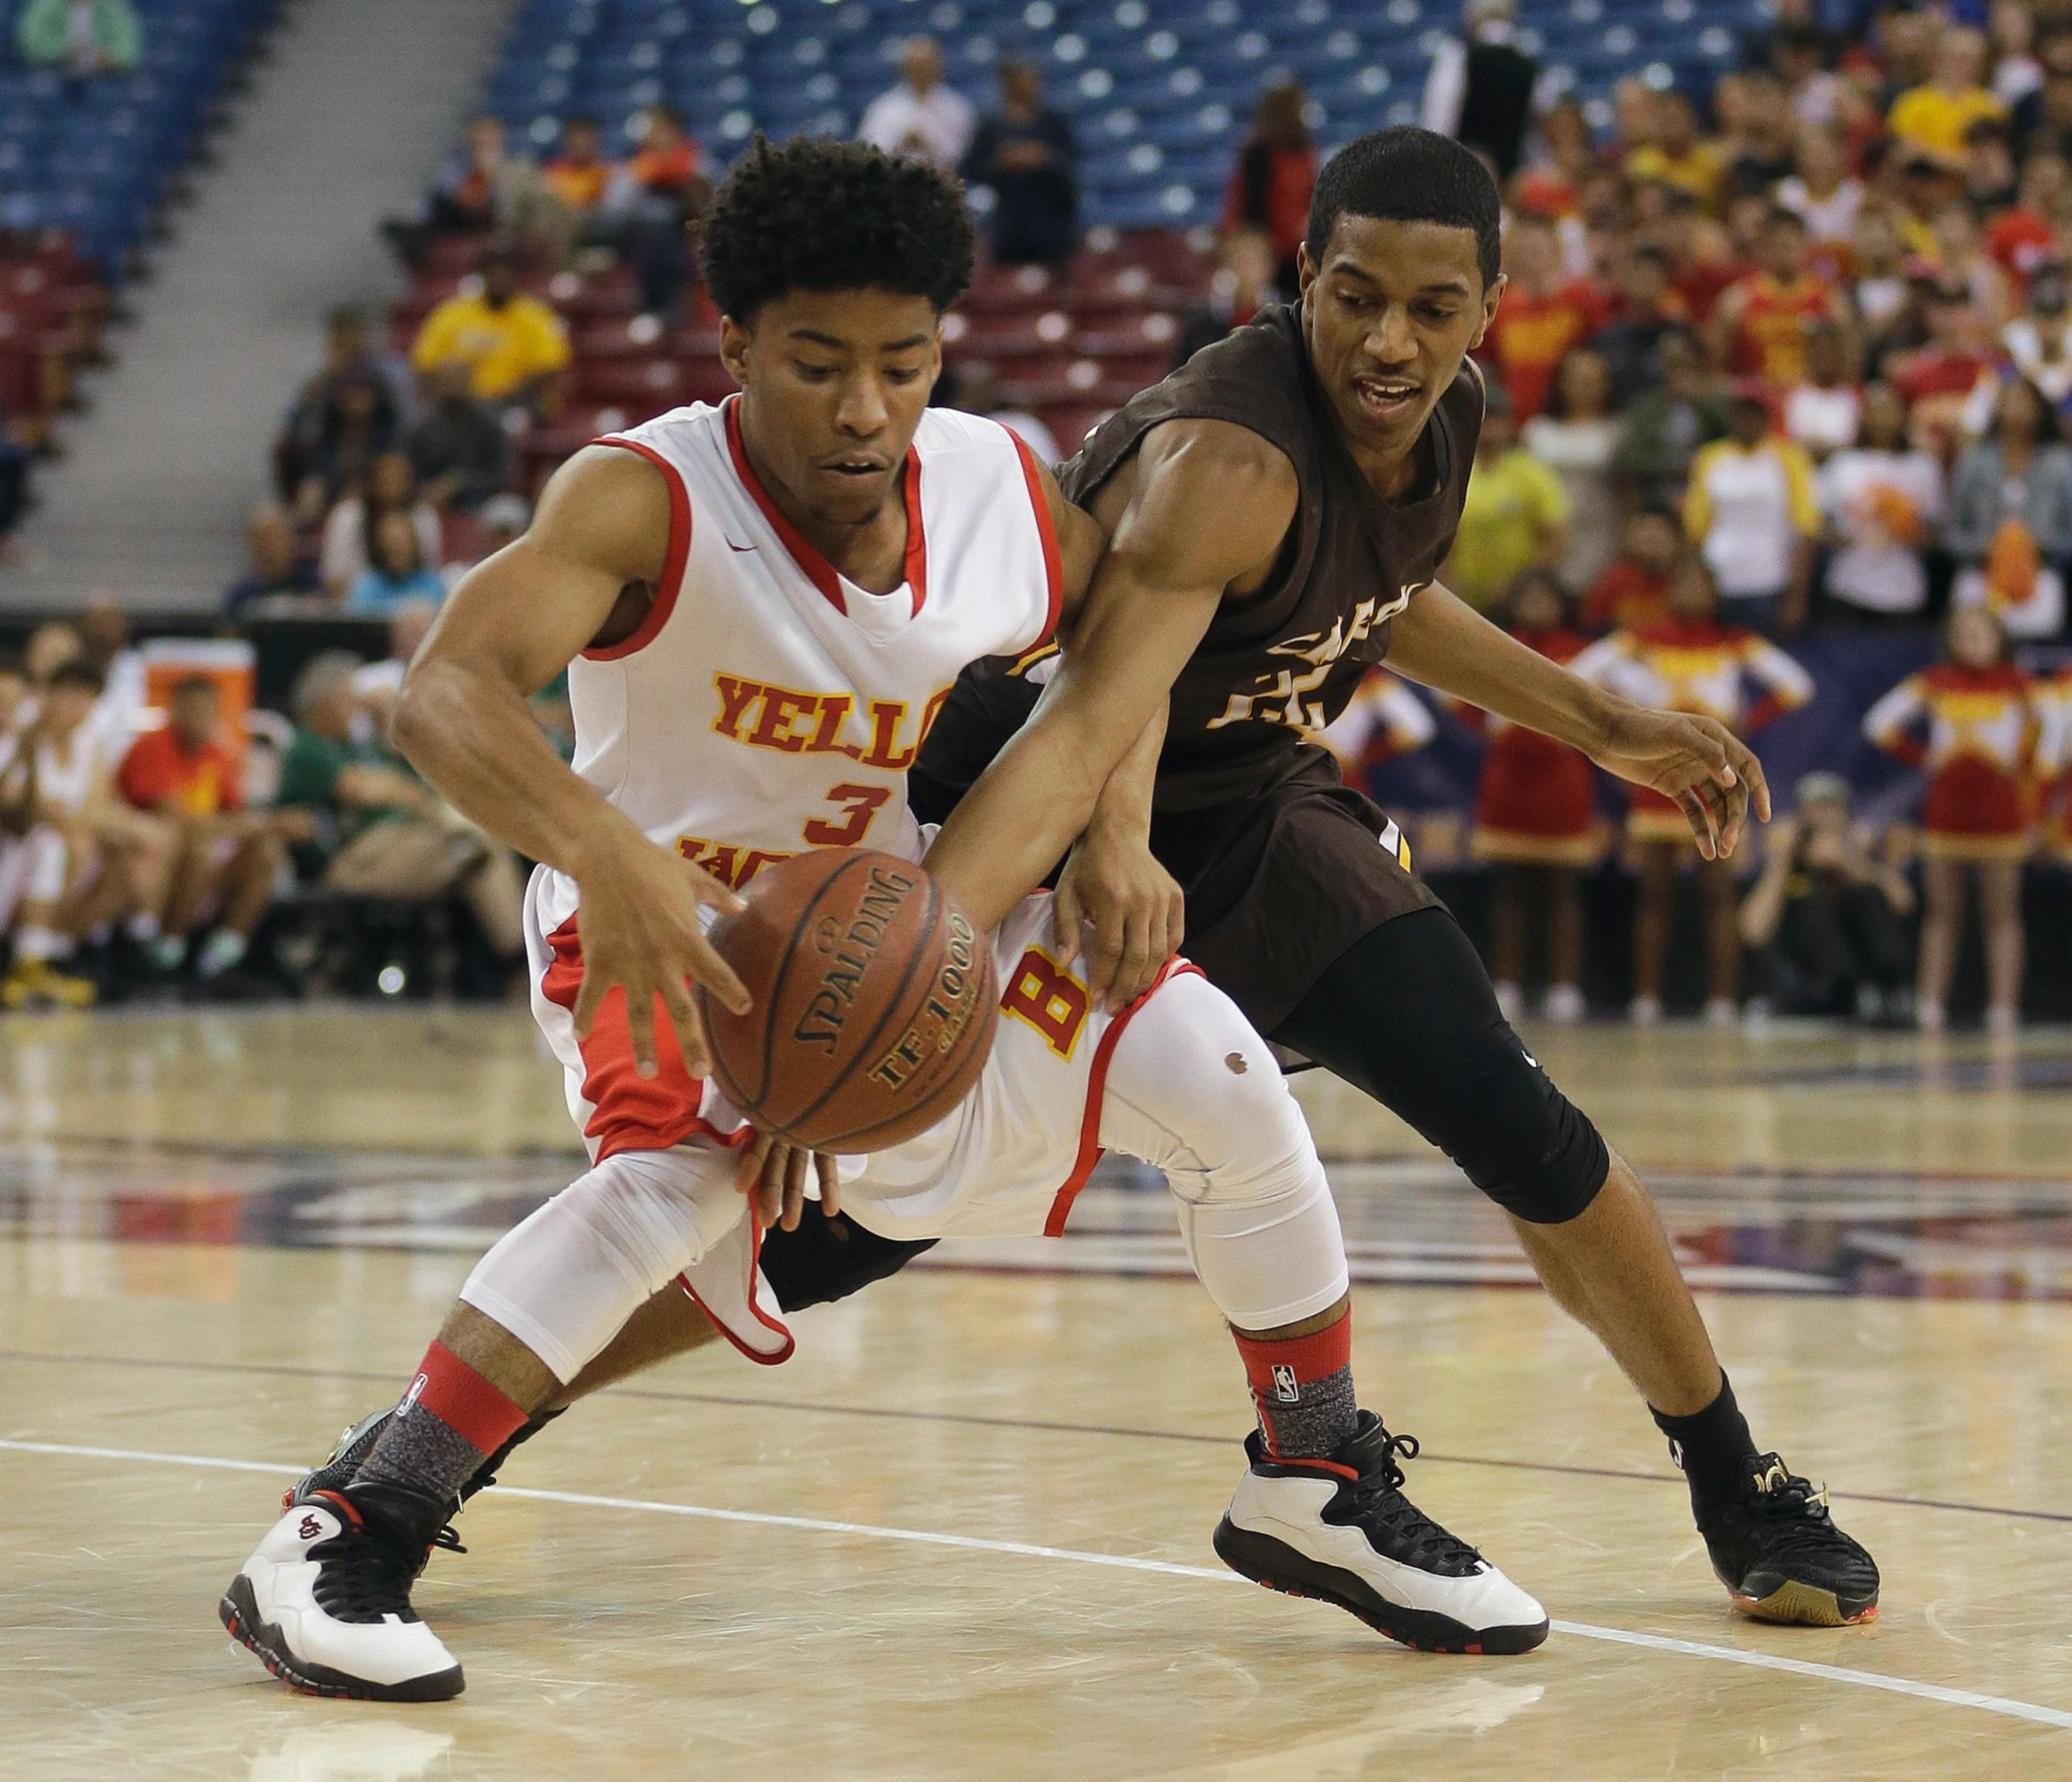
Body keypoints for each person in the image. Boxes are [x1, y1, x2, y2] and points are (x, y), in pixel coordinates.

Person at [229, 136, 1549, 1703]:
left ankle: (1312, 1474)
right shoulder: (643, 498)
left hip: (911, 910)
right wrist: (613, 858)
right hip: (668, 929)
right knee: (682, 1180)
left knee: (1214, 1074)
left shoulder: (993, 485)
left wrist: (1116, 836)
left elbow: (1120, 641)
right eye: (814, 365)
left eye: (901, 365)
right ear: (733, 349)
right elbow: (443, 695)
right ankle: (346, 1526)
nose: (862, 409)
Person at [902, 128, 1873, 1626]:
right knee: (858, 1198)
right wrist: (1115, 841)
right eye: (1354, 297)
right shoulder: (1227, 453)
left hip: (1258, 802)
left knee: (1513, 1109)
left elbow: (1386, 591)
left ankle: (1734, 1471)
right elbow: (1105, 687)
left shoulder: (1446, 413)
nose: (1388, 338)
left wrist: (1607, 720)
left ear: (1489, 307)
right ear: (1302, 281)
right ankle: (444, 1447)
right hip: (1035, 784)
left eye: (1433, 308)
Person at [1574, 556, 1813, 1026]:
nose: (1691, 592)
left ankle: (1723, 999)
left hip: (1715, 774)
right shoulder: (1644, 638)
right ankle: (1647, 997)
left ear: (1715, 592)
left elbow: (1797, 685)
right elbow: (1582, 671)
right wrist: (1633, 713)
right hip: (1659, 779)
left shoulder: (1734, 643)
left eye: (1701, 583)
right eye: (1682, 581)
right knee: (1655, 894)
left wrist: (1745, 722)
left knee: (1718, 893)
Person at [274, 652, 525, 966]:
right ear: (324, 702)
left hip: (400, 844)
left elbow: (412, 783)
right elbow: (368, 790)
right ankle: (516, 956)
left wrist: (385, 720)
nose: (356, 708)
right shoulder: (306, 746)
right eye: (348, 698)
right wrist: (401, 792)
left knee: (482, 851)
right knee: (471, 845)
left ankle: (515, 958)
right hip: (352, 859)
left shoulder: (357, 746)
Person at [1864, 607, 2042, 1034]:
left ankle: (2004, 1007)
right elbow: (1879, 723)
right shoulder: (1936, 681)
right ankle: (1931, 1003)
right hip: (1947, 812)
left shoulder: (2018, 684)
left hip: (2000, 813)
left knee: (2001, 912)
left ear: (1999, 637)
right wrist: (1923, 757)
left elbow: (2048, 734)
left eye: (1981, 632)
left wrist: (2022, 766)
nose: (1972, 641)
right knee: (1943, 913)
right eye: (1963, 634)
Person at [1468, 570, 1599, 1023]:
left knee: (1564, 892)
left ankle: (1565, 987)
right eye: (1530, 595)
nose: (1539, 604)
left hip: (1563, 783)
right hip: (1508, 781)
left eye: (1548, 595)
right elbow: (1456, 702)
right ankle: (1506, 984)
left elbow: (1609, 706)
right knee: (1510, 891)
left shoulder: (1584, 653)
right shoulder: (1492, 644)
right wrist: (1497, 733)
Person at [113, 677, 287, 985]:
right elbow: (177, 819)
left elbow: (236, 811)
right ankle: (168, 952)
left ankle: (222, 955)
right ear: (174, 710)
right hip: (156, 864)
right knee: (196, 847)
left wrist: (260, 827)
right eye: (193, 709)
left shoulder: (214, 754)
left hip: (203, 864)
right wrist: (253, 824)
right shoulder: (152, 747)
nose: (201, 718)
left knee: (266, 849)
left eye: (208, 710)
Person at [1739, 771, 1913, 1022]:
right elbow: (1753, 931)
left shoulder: (1861, 858)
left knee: (1867, 896)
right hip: (1805, 984)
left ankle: (1887, 991)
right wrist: (1781, 861)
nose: (1824, 818)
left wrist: (1856, 867)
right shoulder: (1789, 861)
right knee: (1811, 903)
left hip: (1857, 987)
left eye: (1832, 808)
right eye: (1816, 808)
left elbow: (1904, 903)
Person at [1681, 387, 1821, 633]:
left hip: (1771, 579)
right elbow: (1696, 526)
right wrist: (1697, 580)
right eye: (1741, 414)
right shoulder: (1710, 458)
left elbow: (1806, 528)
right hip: (1719, 577)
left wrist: (1797, 598)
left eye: (1754, 414)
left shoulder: (1789, 458)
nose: (1747, 421)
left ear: (1767, 418)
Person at [1947, 375, 2072, 639]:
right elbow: (1953, 532)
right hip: (1979, 575)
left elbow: (2069, 531)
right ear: (1997, 408)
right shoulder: (1974, 461)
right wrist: (1988, 548)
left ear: (2040, 409)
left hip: (2039, 577)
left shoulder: (2060, 463)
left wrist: (2032, 548)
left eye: (2024, 400)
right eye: (2009, 400)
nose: (2016, 408)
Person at [1815, 381, 1944, 625]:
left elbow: (1936, 531)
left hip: (1903, 591)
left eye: (1891, 411)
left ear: (1904, 416)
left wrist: (1907, 529)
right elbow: (1819, 523)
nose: (1883, 419)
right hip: (1848, 588)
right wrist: (1840, 536)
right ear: (1864, 416)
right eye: (1876, 411)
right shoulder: (1843, 463)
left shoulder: (1923, 466)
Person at [1444, 384, 1568, 610]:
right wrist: (1451, 592)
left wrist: (1518, 587)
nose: (1487, 428)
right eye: (1480, 418)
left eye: (1494, 420)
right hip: (1464, 602)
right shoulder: (1453, 473)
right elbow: (1442, 542)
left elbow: (1557, 539)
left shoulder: (1531, 472)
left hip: (1519, 605)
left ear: (1509, 424)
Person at [410, 244, 570, 418]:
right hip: (459, 405)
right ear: (483, 274)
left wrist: (504, 397)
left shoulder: (536, 316)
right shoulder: (452, 313)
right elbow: (425, 364)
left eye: (506, 271)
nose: (499, 277)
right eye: (493, 271)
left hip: (513, 406)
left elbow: (549, 367)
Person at [1478, 209, 1606, 420]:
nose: (1532, 254)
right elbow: (1489, 367)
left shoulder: (1581, 299)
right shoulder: (1499, 306)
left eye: (1539, 248)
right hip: (1513, 424)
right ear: (1512, 253)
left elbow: (1598, 357)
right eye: (1526, 248)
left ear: (1557, 249)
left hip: (1566, 424)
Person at [1710, 207, 1848, 392]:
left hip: (1811, 397)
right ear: (1763, 248)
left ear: (1806, 246)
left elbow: (1848, 364)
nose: (1786, 252)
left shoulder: (1830, 299)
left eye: (1791, 244)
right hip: (1757, 401)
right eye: (1779, 245)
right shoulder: (1737, 300)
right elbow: (1712, 366)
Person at [1521, 346, 1621, 592]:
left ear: (1606, 385)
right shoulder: (1538, 432)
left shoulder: (1618, 432)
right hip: (1547, 535)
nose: (1583, 388)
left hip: (1602, 535)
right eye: (1576, 380)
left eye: (1591, 381)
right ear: (1561, 384)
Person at [960, 60, 1078, 269]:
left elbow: (1071, 165)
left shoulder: (1053, 123)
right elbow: (969, 169)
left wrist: (1043, 157)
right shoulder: (991, 126)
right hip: (1009, 223)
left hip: (1050, 223)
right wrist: (1000, 161)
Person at [1420, 0, 1542, 181]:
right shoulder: (1529, 63)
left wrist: (1432, 168)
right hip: (1510, 175)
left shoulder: (1457, 57)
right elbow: (1535, 131)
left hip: (1462, 173)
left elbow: (1439, 121)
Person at [1222, 82, 1318, 295]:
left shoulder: (1304, 152)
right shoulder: (1260, 154)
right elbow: (1251, 208)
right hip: (1268, 252)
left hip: (1296, 251)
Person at [321, 452, 443, 599]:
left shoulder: (424, 517)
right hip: (356, 603)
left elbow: (431, 570)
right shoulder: (348, 516)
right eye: (386, 479)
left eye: (399, 480)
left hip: (417, 600)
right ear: (372, 481)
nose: (392, 486)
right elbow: (334, 579)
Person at [1887, 28, 2007, 162]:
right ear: (1939, 58)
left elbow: (1986, 163)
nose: (1959, 64)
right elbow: (1903, 152)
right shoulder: (1911, 102)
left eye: (1968, 59)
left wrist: (1927, 154)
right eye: (1953, 56)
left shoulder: (1991, 106)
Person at [406, 362, 513, 513]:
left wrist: (460, 483)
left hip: (482, 501)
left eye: (458, 380)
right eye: (447, 380)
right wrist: (429, 489)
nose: (453, 387)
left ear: (469, 382)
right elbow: (412, 473)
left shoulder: (489, 424)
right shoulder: (424, 426)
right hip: (430, 501)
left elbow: (501, 475)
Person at [858, 36, 974, 172]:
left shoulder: (957, 108)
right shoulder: (884, 108)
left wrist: (926, 145)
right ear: (904, 68)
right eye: (916, 66)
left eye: (927, 65)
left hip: (943, 183)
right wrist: (902, 143)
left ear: (939, 66)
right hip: (893, 181)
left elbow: (965, 158)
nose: (922, 71)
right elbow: (868, 152)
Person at [1174, 227, 1282, 366]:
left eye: (1255, 262)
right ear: (1228, 266)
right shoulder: (1203, 321)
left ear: (1270, 266)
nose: (1249, 270)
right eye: (1242, 261)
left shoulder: (1291, 315)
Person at [1582, 504, 1683, 631]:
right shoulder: (1612, 581)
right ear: (1629, 536)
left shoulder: (1687, 580)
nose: (1652, 536)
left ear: (1677, 539)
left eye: (1661, 528)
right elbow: (1591, 627)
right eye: (1644, 528)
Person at [1781, 320, 1864, 461]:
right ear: (1808, 353)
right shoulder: (1792, 396)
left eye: (1831, 349)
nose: (1825, 355)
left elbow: (1861, 445)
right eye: (1818, 349)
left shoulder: (1857, 396)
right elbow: (1783, 445)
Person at [223, 504, 321, 616]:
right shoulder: (241, 596)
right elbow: (229, 631)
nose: (266, 549)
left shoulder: (310, 582)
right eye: (259, 541)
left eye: (272, 540)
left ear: (290, 541)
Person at [347, 512, 449, 615]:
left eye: (401, 543)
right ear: (379, 547)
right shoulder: (366, 588)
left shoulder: (432, 586)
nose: (395, 548)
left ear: (414, 544)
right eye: (390, 543)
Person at [14, 0, 140, 77]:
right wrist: (63, 53)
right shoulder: (45, 6)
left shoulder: (113, 8)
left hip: (105, 75)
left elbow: (128, 48)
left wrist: (107, 59)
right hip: (55, 71)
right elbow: (32, 44)